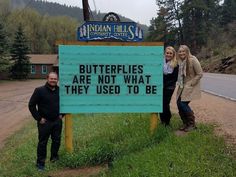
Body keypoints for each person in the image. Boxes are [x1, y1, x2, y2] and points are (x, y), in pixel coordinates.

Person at [28, 72, 63, 171]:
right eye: (51, 78)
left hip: (57, 121)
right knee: (43, 143)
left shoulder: (60, 91)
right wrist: (39, 118)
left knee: (56, 141)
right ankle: (40, 164)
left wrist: (62, 114)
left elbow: (66, 103)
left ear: (57, 80)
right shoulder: (39, 91)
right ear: (47, 78)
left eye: (55, 79)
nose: (53, 80)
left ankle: (54, 158)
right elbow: (31, 105)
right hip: (45, 122)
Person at [176, 45, 203, 132]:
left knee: (183, 104)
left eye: (183, 51)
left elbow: (200, 74)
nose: (181, 53)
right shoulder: (180, 61)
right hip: (182, 86)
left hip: (190, 85)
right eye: (180, 51)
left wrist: (191, 83)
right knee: (178, 103)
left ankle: (192, 124)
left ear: (187, 51)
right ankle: (185, 123)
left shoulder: (193, 59)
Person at [160, 46, 178, 126]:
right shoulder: (161, 62)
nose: (169, 55)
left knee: (165, 103)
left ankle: (167, 121)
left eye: (171, 53)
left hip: (169, 87)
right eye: (167, 53)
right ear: (165, 53)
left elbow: (174, 78)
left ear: (173, 54)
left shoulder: (175, 64)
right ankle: (162, 121)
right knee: (160, 104)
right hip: (160, 86)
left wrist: (165, 84)